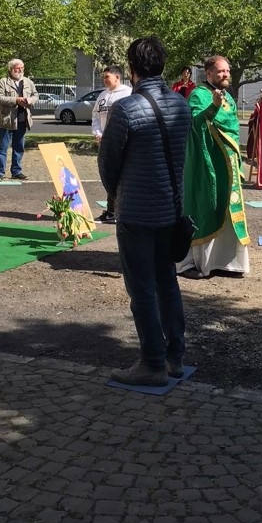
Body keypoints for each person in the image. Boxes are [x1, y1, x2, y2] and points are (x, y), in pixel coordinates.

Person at [98, 35, 192, 387]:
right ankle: (174, 357)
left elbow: (108, 163)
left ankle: (152, 363)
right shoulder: (181, 105)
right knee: (167, 281)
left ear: (132, 68)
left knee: (141, 289)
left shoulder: (126, 108)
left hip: (137, 212)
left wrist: (116, 196)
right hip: (171, 208)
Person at [178, 55, 250, 278]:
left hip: (228, 162)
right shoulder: (198, 95)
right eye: (221, 71)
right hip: (207, 163)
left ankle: (227, 262)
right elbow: (195, 123)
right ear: (208, 74)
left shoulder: (229, 96)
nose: (226, 74)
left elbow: (233, 129)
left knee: (227, 208)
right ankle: (196, 262)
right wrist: (213, 107)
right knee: (207, 206)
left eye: (227, 70)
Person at [92, 65, 132, 224]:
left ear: (117, 77)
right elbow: (95, 115)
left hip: (120, 144)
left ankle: (117, 210)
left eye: (107, 76)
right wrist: (97, 133)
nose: (104, 80)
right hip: (104, 143)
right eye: (103, 77)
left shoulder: (128, 93)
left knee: (120, 176)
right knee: (108, 175)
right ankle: (111, 210)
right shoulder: (102, 95)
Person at [0, 59, 38, 181]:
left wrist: (30, 101)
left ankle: (16, 171)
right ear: (11, 69)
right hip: (6, 120)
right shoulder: (3, 82)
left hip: (22, 119)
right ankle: (0, 173)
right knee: (2, 148)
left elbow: (35, 95)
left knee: (19, 147)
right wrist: (16, 100)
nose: (20, 70)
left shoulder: (28, 82)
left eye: (22, 68)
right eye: (17, 68)